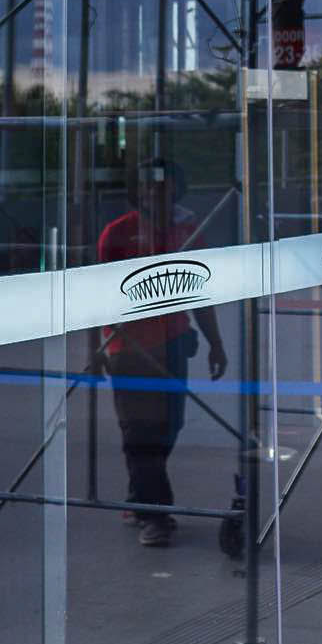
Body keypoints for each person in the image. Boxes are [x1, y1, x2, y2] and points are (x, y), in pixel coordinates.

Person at [98, 159, 228, 549]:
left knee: (170, 427)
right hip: (129, 350)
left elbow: (200, 292)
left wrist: (215, 343)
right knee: (140, 434)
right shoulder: (117, 234)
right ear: (137, 192)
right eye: (149, 187)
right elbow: (96, 295)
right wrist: (98, 347)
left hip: (172, 346)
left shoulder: (188, 231)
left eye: (164, 186)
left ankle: (141, 494)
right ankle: (156, 515)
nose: (156, 193)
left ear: (177, 189)